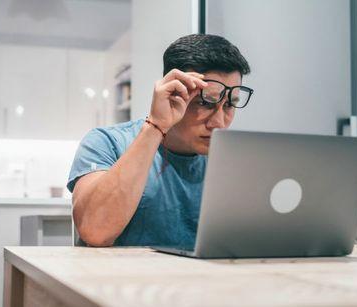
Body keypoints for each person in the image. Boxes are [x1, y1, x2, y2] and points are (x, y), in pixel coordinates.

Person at [67, 34, 252, 247]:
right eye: (205, 103)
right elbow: (95, 231)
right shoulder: (107, 142)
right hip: (122, 279)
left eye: (230, 105)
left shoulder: (231, 161)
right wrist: (156, 125)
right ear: (174, 92)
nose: (219, 122)